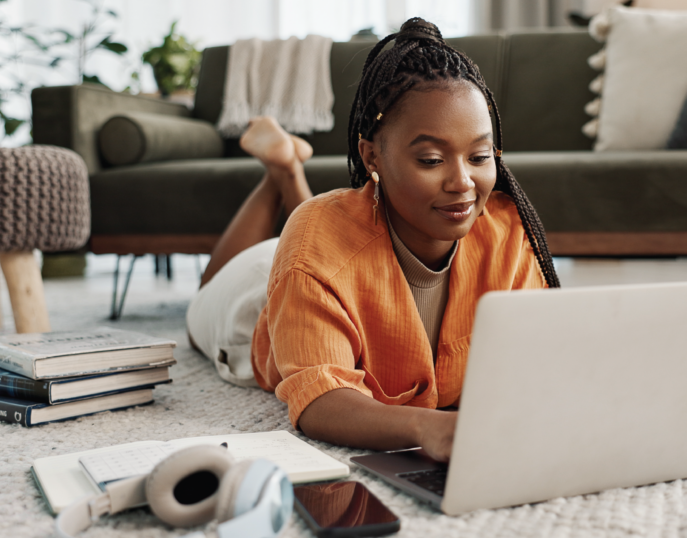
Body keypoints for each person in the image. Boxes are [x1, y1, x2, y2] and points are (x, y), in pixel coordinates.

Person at [187, 18, 560, 462]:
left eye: (480, 156)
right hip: (251, 305)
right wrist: (426, 426)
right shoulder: (314, 245)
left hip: (323, 254)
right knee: (209, 291)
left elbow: (540, 357)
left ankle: (287, 170)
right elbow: (319, 396)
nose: (463, 182)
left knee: (315, 232)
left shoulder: (507, 233)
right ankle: (282, 175)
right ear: (371, 155)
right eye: (431, 159)